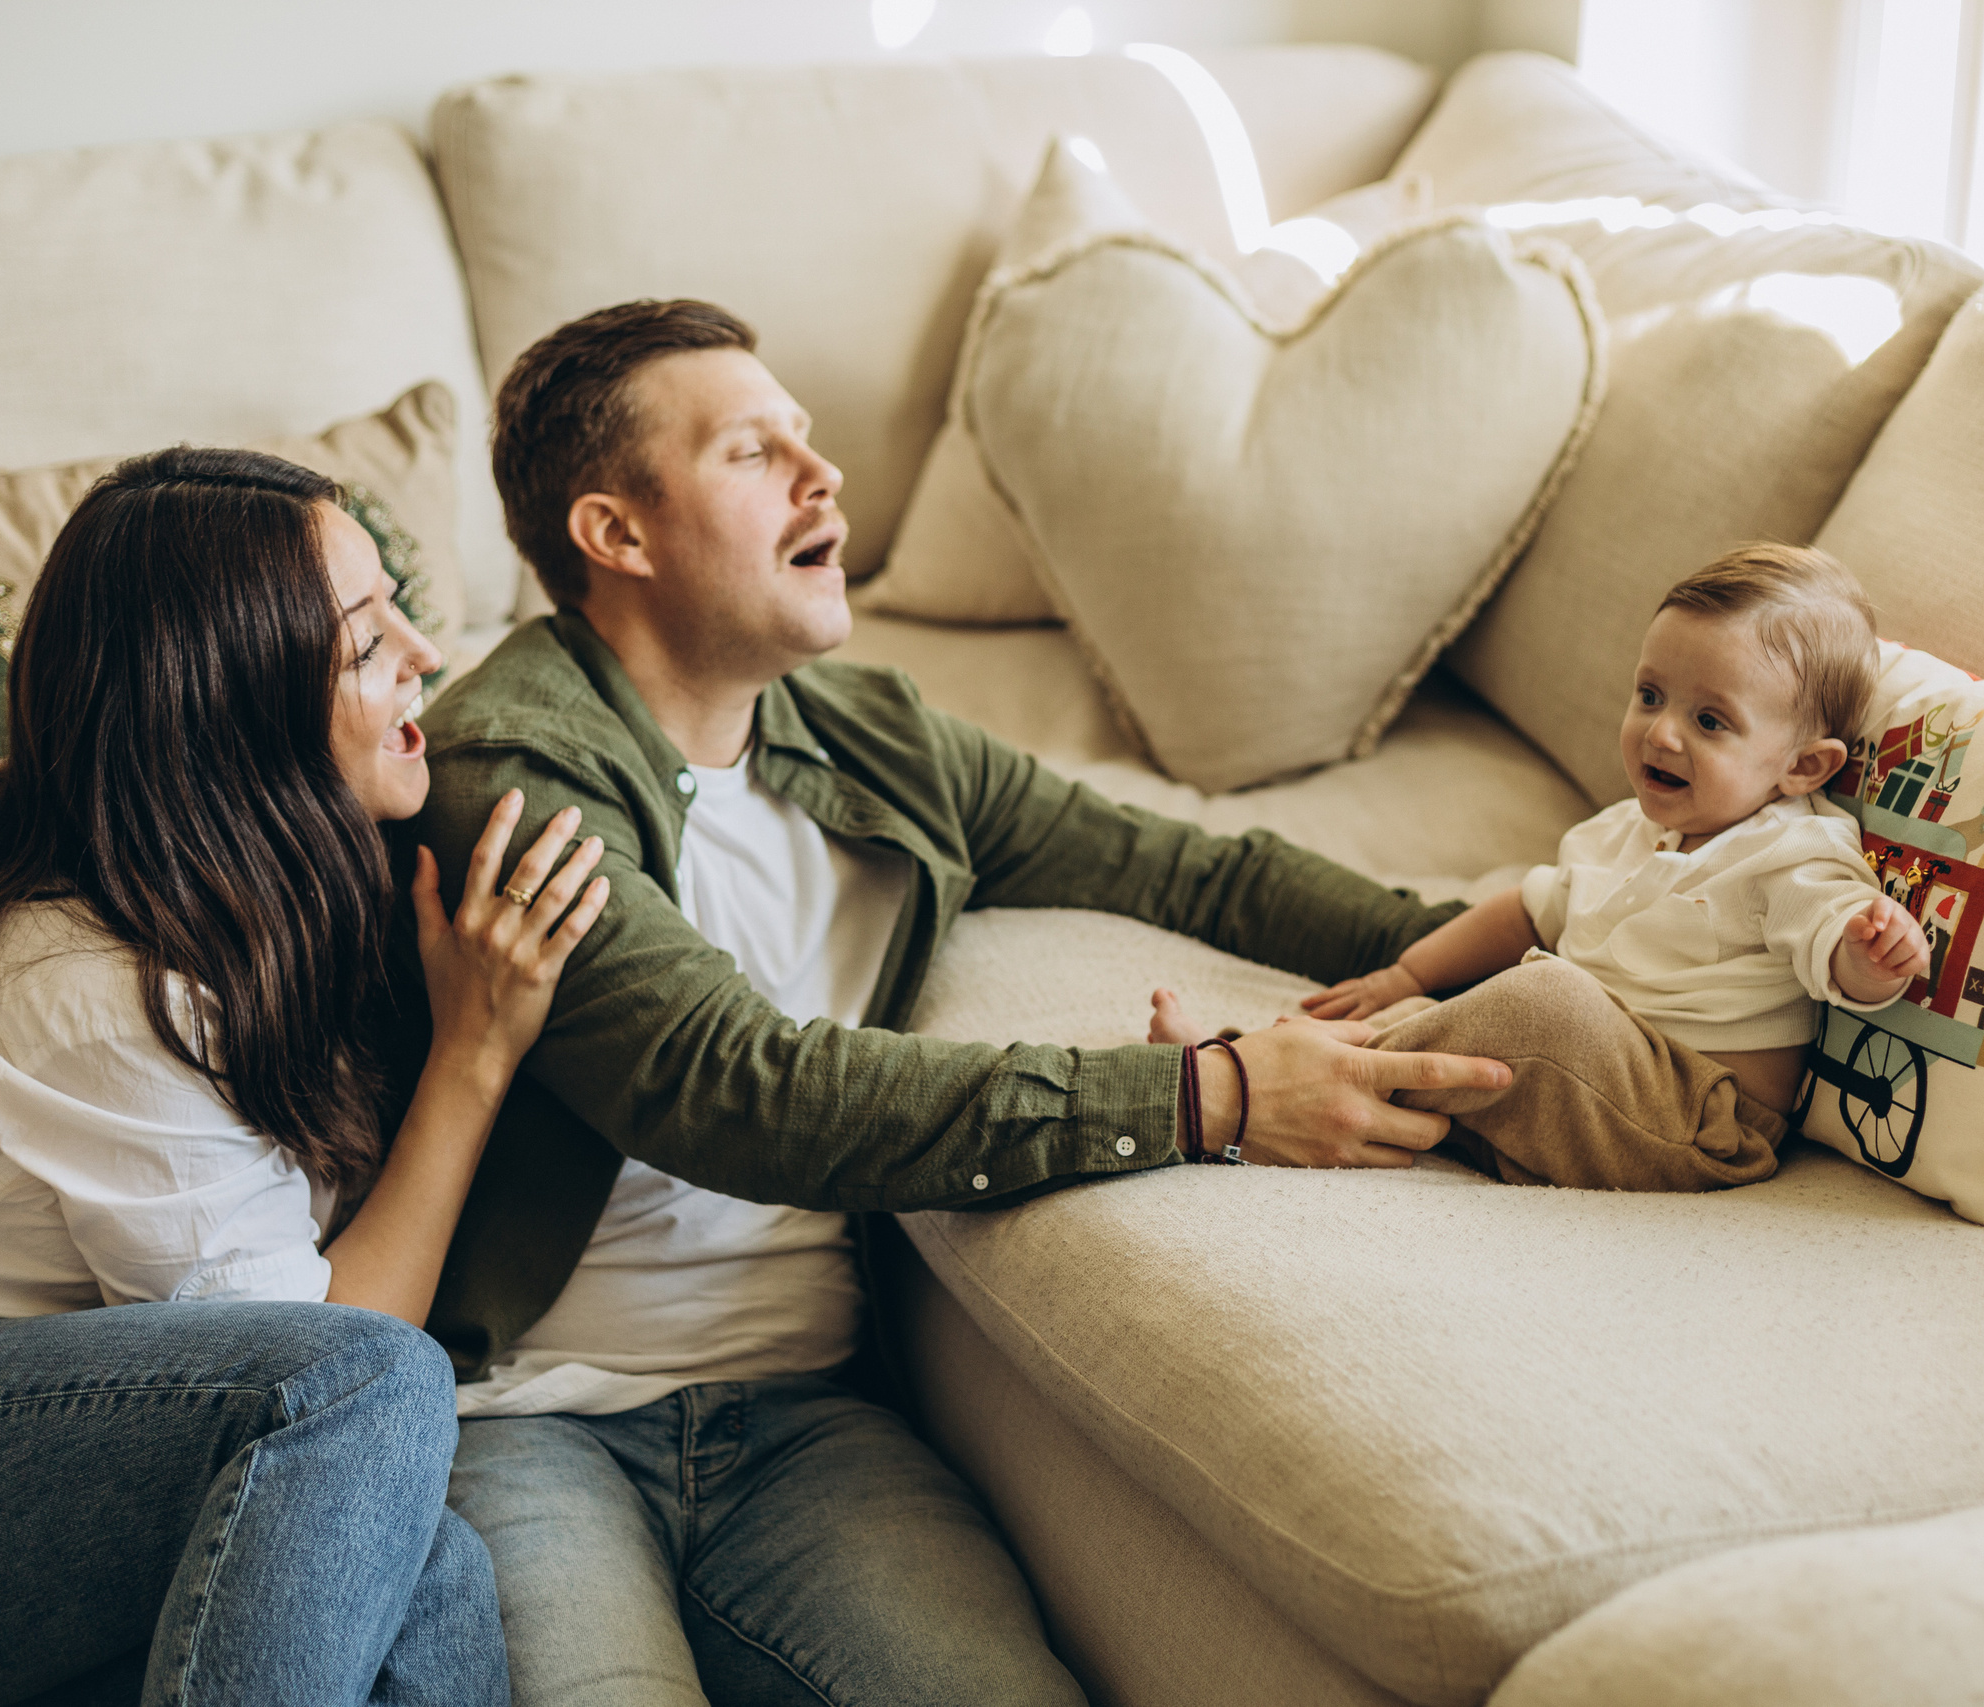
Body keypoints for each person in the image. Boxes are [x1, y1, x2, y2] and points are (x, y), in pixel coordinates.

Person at [389, 297, 1516, 1707]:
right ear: (616, 534)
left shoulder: (880, 737)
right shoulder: (514, 773)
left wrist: (1513, 945)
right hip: (526, 1419)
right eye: (754, 453)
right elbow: (737, 1085)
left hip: (809, 1416)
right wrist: (1213, 1092)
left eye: (808, 440)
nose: (825, 477)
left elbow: (1196, 874)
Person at [0, 448, 607, 1706]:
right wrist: (475, 1054)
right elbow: (318, 1360)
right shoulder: (87, 977)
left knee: (430, 1569)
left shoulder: (221, 890)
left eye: (397, 603)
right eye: (363, 642)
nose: (426, 652)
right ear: (234, 705)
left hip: (19, 1449)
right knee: (363, 1387)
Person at [1150, 545, 1923, 1192]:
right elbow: (1526, 907)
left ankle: (1274, 1085)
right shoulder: (1626, 829)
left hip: (1697, 1119)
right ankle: (1265, 1068)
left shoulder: (1793, 851)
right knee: (1476, 1011)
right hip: (1583, 1093)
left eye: (1709, 720)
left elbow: (1833, 939)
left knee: (1542, 998)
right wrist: (1404, 975)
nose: (1660, 733)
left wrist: (1872, 953)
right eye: (1650, 694)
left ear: (1801, 765)